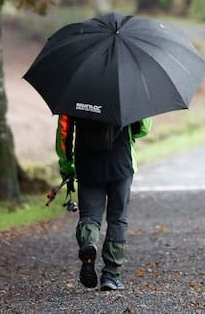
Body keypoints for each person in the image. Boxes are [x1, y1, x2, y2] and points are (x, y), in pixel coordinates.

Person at [55, 114, 152, 291]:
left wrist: (67, 166)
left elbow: (64, 132)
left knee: (90, 216)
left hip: (87, 164)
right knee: (117, 219)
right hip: (121, 163)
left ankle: (89, 244)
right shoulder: (127, 89)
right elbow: (143, 128)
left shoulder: (75, 93)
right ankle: (111, 275)